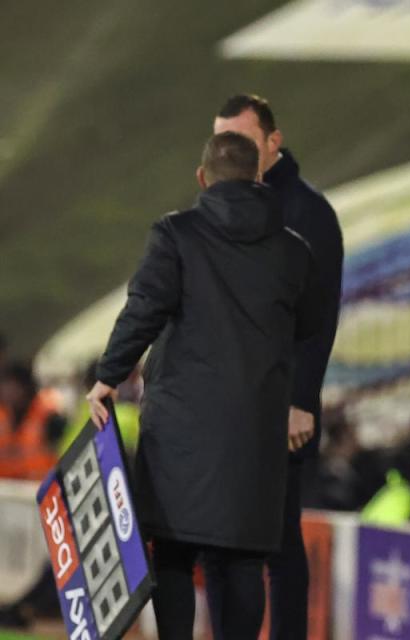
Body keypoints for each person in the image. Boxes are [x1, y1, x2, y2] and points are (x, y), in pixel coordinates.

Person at [86, 132, 323, 639]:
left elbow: (144, 308)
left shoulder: (176, 236)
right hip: (256, 438)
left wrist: (108, 376)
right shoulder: (294, 253)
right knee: (241, 561)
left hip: (179, 435)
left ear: (202, 178)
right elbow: (308, 328)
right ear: (259, 177)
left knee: (172, 553)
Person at [211, 94, 343, 640]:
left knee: (278, 542)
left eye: (241, 141)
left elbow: (318, 320)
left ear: (273, 142)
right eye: (223, 142)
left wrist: (299, 401)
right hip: (225, 409)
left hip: (279, 410)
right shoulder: (222, 204)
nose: (231, 152)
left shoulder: (308, 213)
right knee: (221, 540)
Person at [0, 362, 65, 479]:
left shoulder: (49, 417)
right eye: (4, 385)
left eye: (12, 386)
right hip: (5, 490)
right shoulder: (3, 415)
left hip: (36, 489)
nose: (7, 391)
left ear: (25, 387)